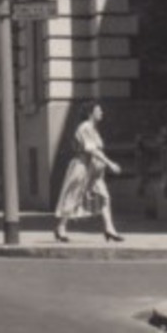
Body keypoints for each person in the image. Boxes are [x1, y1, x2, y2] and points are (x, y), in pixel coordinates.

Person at [53, 100, 124, 243]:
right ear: (90, 113)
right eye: (99, 110)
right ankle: (61, 228)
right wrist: (110, 164)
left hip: (94, 172)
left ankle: (109, 229)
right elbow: (91, 149)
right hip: (82, 167)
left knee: (104, 196)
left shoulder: (93, 128)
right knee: (73, 196)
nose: (101, 113)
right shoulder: (84, 127)